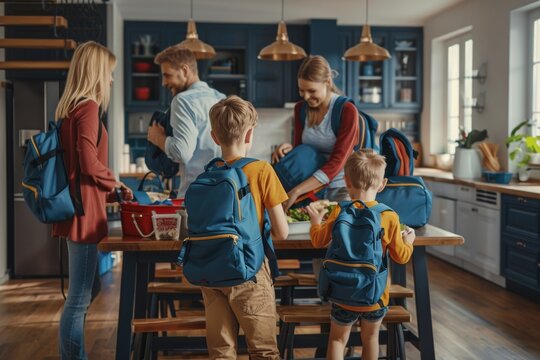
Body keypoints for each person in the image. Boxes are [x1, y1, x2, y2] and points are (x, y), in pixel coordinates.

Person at [51, 41, 133, 360]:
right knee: (80, 298)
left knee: (87, 291)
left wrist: (110, 189)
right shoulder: (87, 108)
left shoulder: (74, 108)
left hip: (82, 207)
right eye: (109, 73)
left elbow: (80, 167)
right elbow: (87, 163)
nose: (111, 80)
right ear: (96, 72)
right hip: (83, 214)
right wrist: (116, 180)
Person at [305, 149, 416, 360]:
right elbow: (401, 256)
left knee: (337, 340)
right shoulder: (389, 216)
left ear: (346, 181)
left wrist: (315, 222)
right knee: (371, 339)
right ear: (382, 184)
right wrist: (408, 242)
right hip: (374, 295)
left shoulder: (339, 211)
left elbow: (318, 241)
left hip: (342, 291)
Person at [202, 95, 289, 359]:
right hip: (250, 271)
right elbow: (281, 232)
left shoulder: (207, 174)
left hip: (212, 272)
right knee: (263, 349)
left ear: (214, 137)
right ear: (250, 133)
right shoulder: (262, 170)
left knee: (221, 352)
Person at [272, 55, 360, 210]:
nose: (306, 97)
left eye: (311, 90)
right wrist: (289, 148)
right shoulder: (301, 109)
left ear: (327, 82)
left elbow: (337, 163)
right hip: (310, 190)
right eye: (301, 90)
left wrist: (297, 191)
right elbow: (302, 148)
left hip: (339, 189)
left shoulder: (346, 111)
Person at [147, 45, 225, 197]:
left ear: (184, 70)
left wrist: (158, 138)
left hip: (196, 197)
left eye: (167, 75)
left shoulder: (182, 101)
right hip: (223, 194)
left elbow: (182, 152)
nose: (164, 82)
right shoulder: (221, 98)